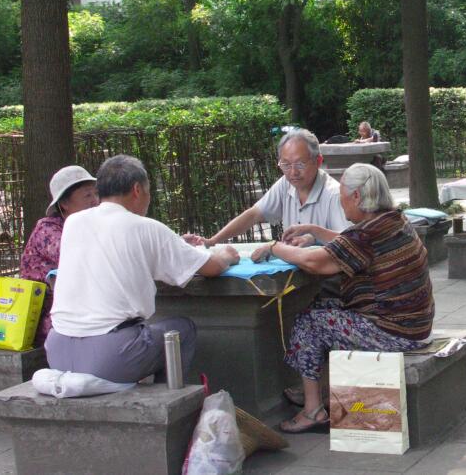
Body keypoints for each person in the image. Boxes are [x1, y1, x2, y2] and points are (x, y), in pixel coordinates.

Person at [253, 163, 434, 432]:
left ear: (357, 197)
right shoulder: (392, 220)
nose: (342, 205)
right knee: (318, 305)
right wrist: (315, 231)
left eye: (342, 199)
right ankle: (317, 388)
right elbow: (345, 241)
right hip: (414, 324)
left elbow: (317, 264)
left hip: (394, 331)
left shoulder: (366, 233)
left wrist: (274, 247)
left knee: (309, 322)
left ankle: (313, 410)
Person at [45, 155, 241, 383]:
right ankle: (167, 408)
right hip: (109, 357)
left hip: (58, 351)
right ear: (137, 190)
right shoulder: (146, 228)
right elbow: (211, 267)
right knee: (182, 330)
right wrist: (226, 255)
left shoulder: (73, 223)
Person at [185, 128, 350, 253]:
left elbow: (349, 243)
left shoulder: (334, 194)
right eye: (285, 164)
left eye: (300, 164)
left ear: (318, 161)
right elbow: (253, 214)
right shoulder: (286, 184)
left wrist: (314, 237)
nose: (293, 172)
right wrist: (212, 241)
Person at [20, 165, 99, 347]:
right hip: (51, 319)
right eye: (87, 195)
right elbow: (83, 259)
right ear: (64, 203)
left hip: (78, 312)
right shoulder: (48, 230)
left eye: (95, 194)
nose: (95, 201)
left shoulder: (85, 227)